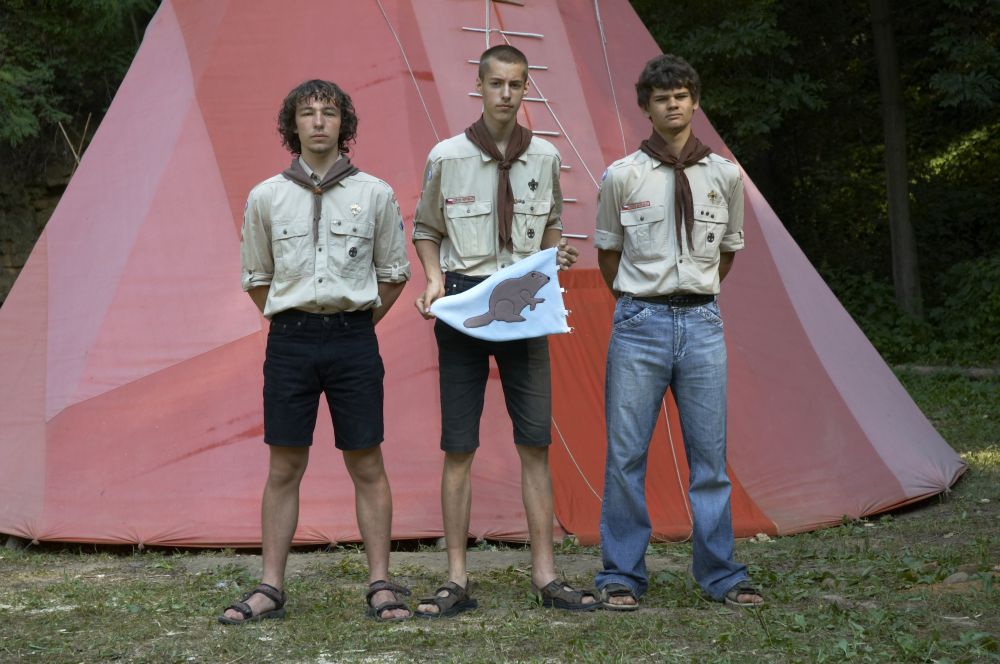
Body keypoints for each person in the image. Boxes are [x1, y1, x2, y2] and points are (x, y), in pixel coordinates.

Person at [220, 79, 412, 624]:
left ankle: (380, 584)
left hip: (354, 339)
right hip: (290, 341)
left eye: (330, 112)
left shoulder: (375, 193)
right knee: (284, 463)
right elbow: (257, 277)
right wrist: (297, 319)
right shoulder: (266, 196)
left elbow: (394, 274)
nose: (320, 121)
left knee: (366, 460)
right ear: (294, 126)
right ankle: (270, 587)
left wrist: (353, 323)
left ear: (343, 123)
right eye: (308, 113)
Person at [411, 44, 592, 616]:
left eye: (516, 84)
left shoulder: (544, 157)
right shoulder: (447, 156)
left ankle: (546, 575)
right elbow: (425, 228)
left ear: (526, 88)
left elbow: (552, 225)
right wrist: (434, 280)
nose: (506, 94)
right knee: (459, 445)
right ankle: (456, 579)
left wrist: (553, 256)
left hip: (524, 304)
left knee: (535, 442)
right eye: (497, 84)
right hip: (465, 298)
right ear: (481, 86)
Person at [593, 54, 763, 610]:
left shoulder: (725, 175)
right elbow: (609, 254)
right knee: (625, 456)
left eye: (682, 96)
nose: (673, 105)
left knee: (710, 458)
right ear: (646, 107)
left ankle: (721, 573)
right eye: (662, 98)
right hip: (639, 322)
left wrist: (694, 294)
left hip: (702, 322)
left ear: (696, 102)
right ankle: (621, 574)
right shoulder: (623, 176)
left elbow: (727, 252)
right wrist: (641, 300)